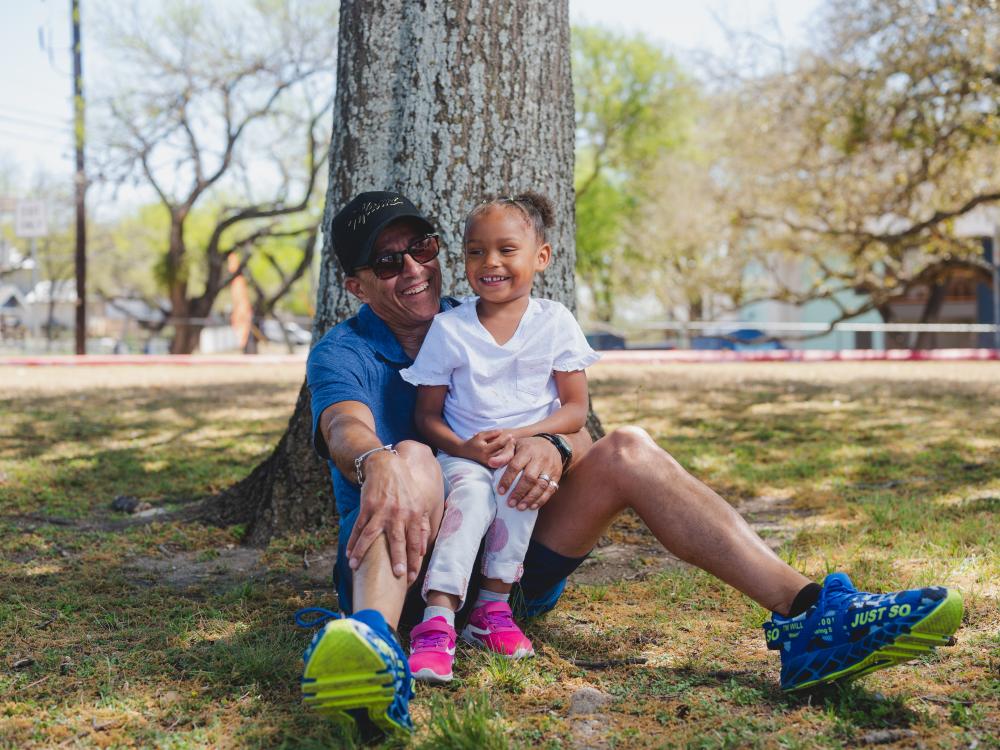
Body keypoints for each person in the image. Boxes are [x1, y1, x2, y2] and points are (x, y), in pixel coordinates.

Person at [298, 190, 963, 740]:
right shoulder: (342, 351)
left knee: (630, 446)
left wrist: (549, 445)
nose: (413, 268)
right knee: (410, 456)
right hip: (408, 572)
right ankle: (377, 643)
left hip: (510, 555)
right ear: (356, 285)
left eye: (422, 247)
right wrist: (374, 458)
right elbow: (342, 424)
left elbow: (579, 428)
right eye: (388, 261)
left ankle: (812, 613)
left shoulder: (486, 314)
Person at [398, 192, 597, 682]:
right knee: (472, 496)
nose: (490, 263)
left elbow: (575, 410)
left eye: (507, 249)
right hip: (463, 456)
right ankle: (437, 622)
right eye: (474, 251)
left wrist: (526, 436)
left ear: (541, 257)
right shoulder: (449, 329)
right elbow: (426, 416)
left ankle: (491, 611)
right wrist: (465, 447)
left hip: (522, 453)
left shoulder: (555, 323)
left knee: (519, 484)